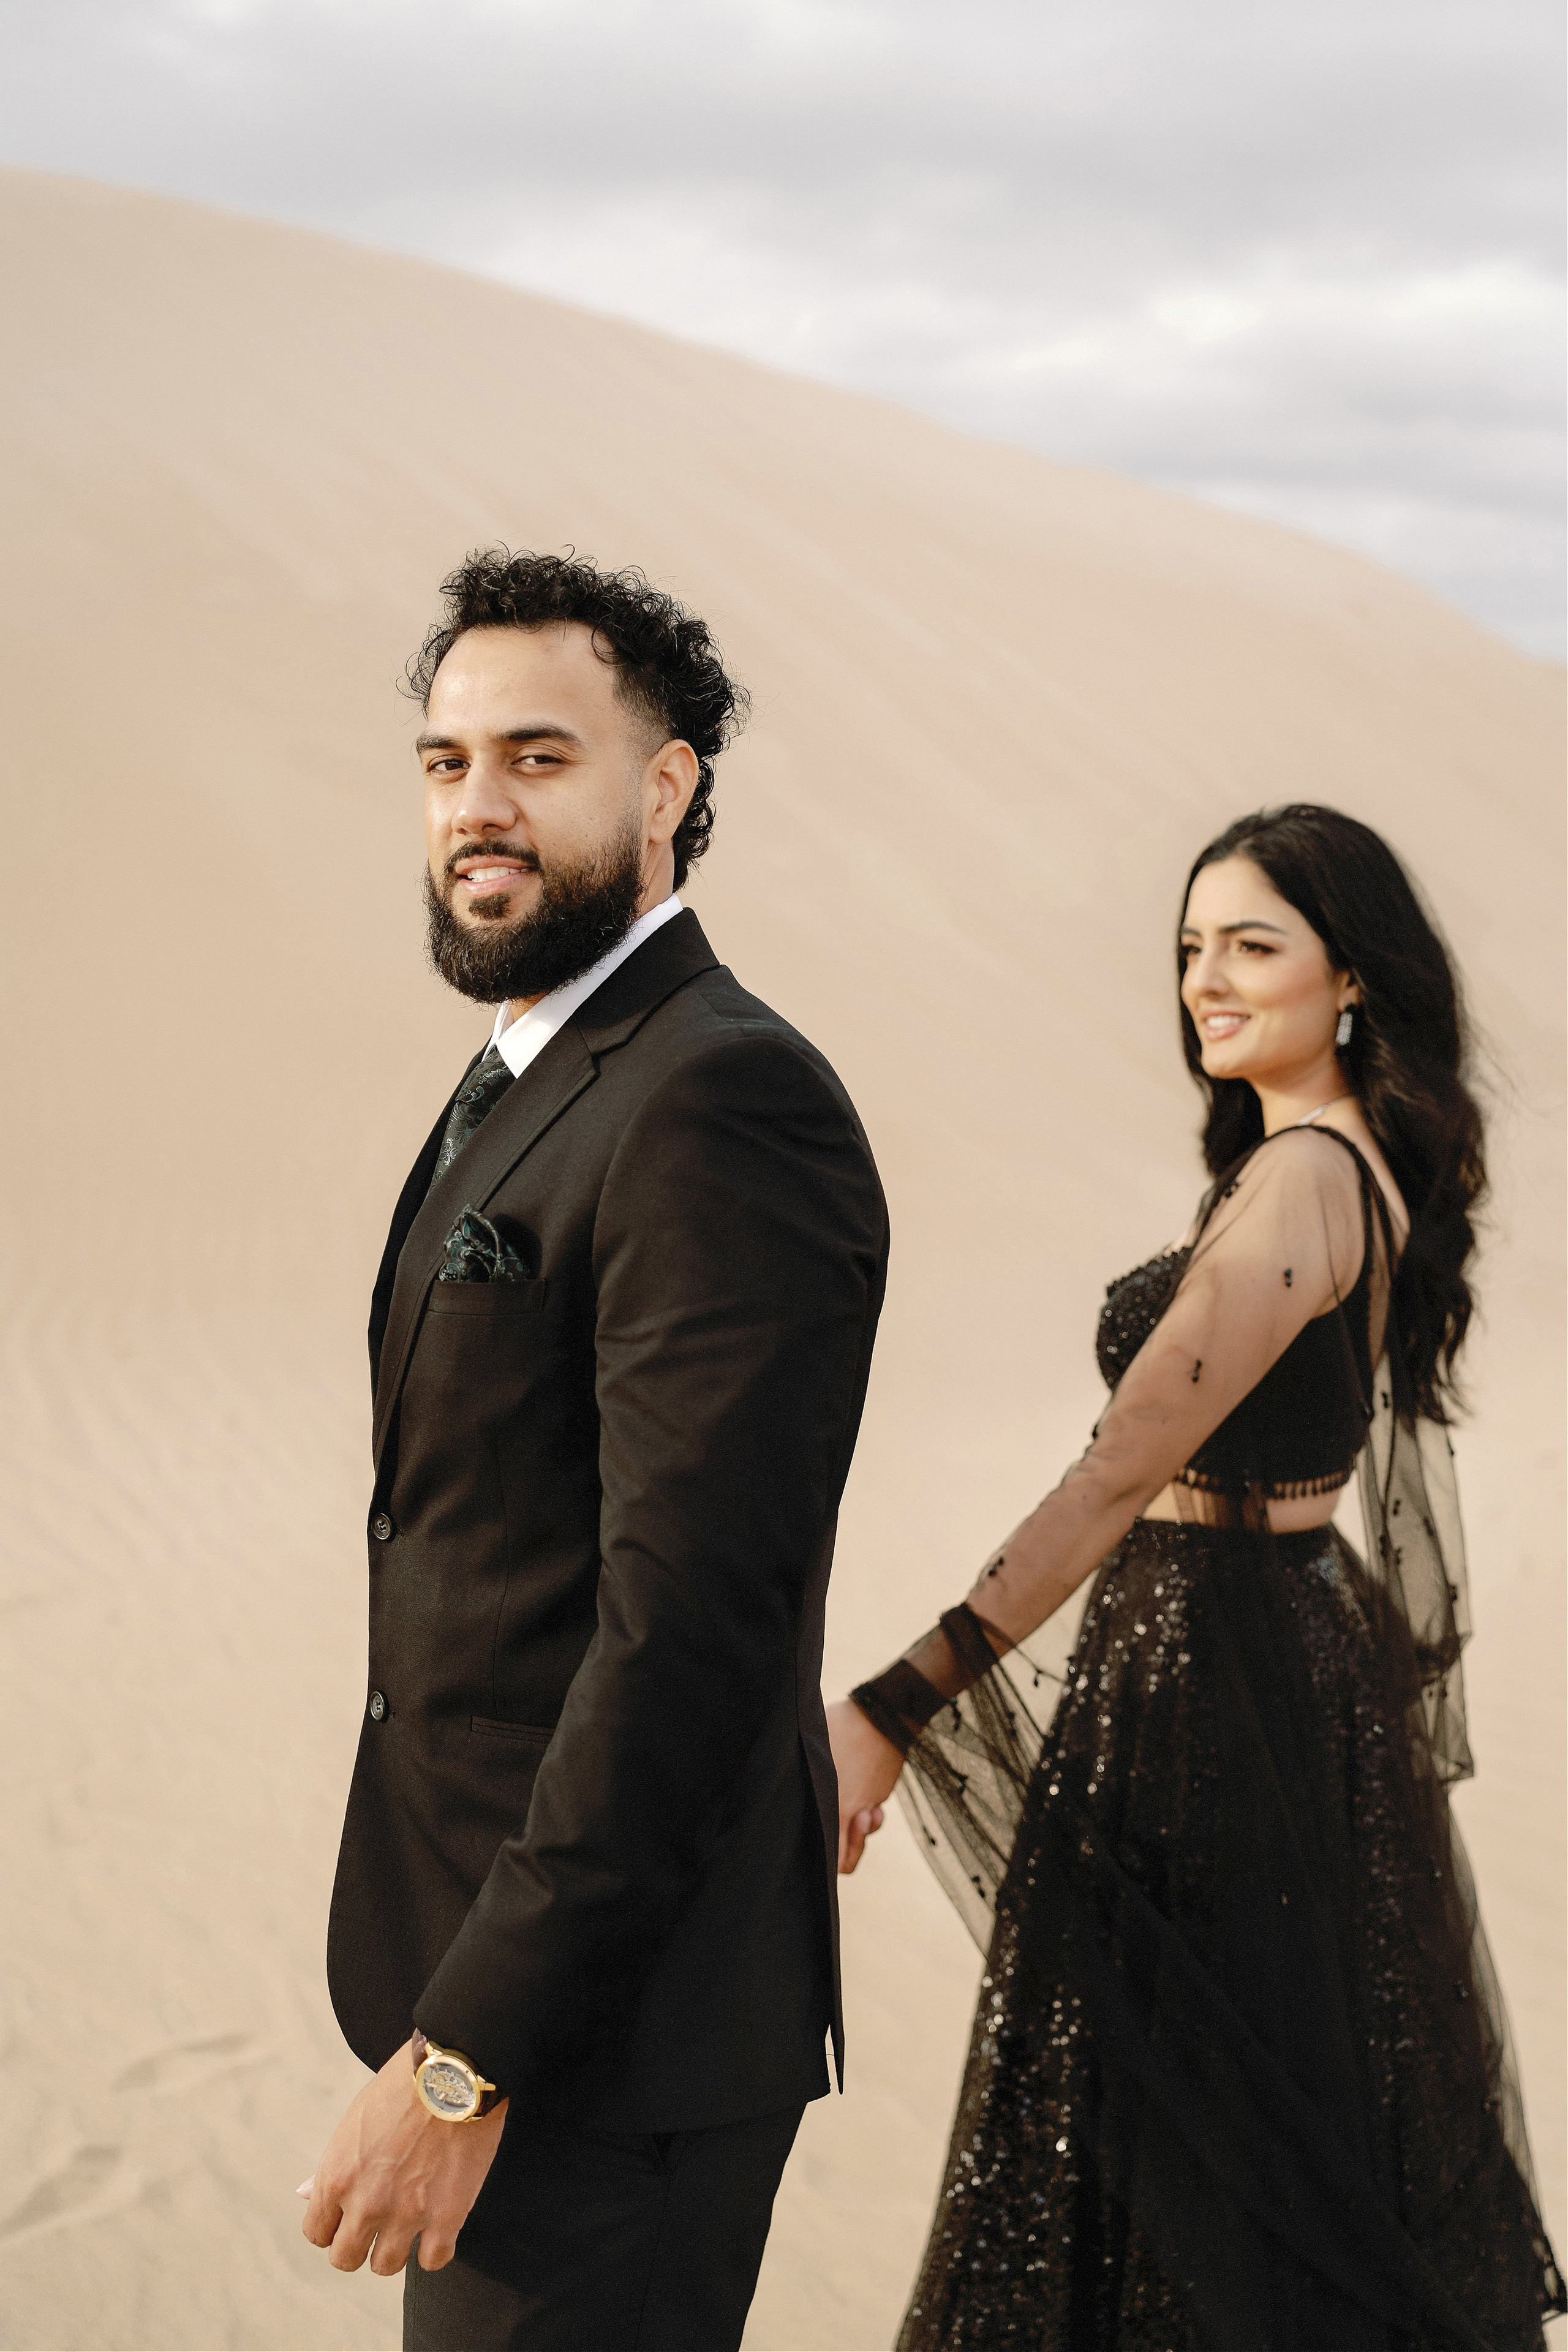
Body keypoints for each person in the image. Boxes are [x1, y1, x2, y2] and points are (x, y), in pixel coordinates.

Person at [831, 805, 1564, 2350]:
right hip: (1263, 1665)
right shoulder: (1340, 1162)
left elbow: (1115, 1470)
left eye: (1249, 945)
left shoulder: (1303, 1177)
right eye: (1186, 948)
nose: (1202, 981)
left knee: (1180, 2150)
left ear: (1346, 978)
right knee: (1231, 2133)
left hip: (1208, 1696)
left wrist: (900, 1698)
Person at [300, 548, 888, 2351]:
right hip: (517, 1994)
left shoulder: (716, 1096)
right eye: (445, 762)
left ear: (667, 787)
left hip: (604, 2043)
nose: (477, 807)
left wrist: (471, 2055)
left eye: (537, 759)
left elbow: (689, 1636)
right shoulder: (535, 1068)